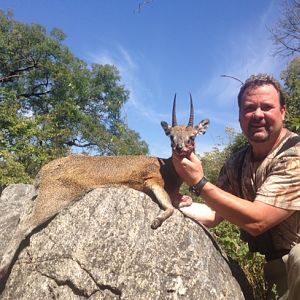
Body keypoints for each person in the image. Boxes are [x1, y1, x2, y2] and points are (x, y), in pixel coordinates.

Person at [172, 74, 300, 300]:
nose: (258, 114)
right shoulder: (236, 163)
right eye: (249, 108)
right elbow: (214, 213)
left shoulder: (295, 154)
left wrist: (200, 183)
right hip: (273, 269)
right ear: (240, 117)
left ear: (283, 112)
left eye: (267, 107)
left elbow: (258, 220)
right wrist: (170, 204)